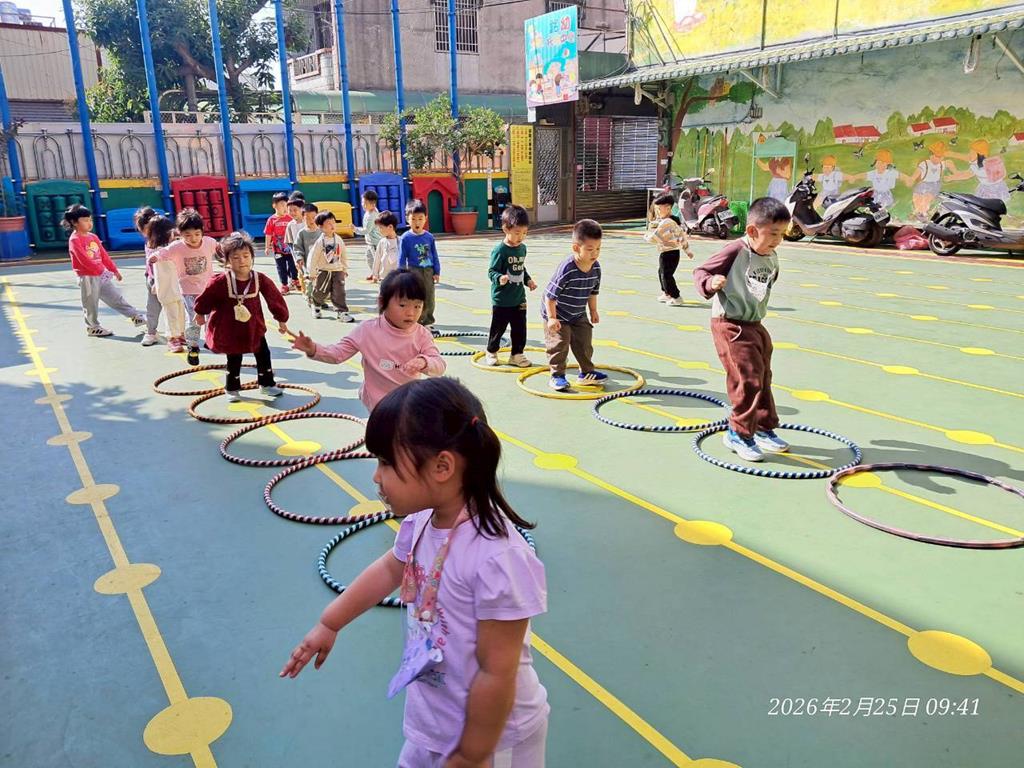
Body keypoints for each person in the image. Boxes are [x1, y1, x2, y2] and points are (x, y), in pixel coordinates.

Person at [280, 377, 548, 768]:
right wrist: (330, 622)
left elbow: (497, 671)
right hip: (434, 721)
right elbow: (389, 568)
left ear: (442, 467)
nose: (376, 476)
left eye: (386, 463)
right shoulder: (421, 521)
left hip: (494, 739)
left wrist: (471, 755)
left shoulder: (497, 559)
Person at [692, 197, 791, 463]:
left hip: (755, 323)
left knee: (763, 375)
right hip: (730, 323)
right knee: (747, 378)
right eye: (773, 234)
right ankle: (738, 433)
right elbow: (701, 271)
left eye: (782, 234)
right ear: (752, 230)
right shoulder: (736, 250)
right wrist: (711, 282)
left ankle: (762, 427)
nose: (778, 240)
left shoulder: (771, 256)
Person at [291, 269, 446, 411]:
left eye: (417, 306)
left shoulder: (422, 334)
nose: (411, 313)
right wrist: (313, 349)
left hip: (407, 403)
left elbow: (439, 365)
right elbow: (338, 354)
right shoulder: (367, 330)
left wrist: (424, 362)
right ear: (382, 302)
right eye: (402, 305)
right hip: (376, 403)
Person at [194, 231, 290, 401]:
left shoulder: (259, 279)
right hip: (230, 329)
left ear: (252, 257)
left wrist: (281, 319)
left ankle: (267, 384)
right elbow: (206, 297)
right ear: (227, 260)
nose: (242, 261)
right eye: (236, 257)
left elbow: (274, 298)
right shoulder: (221, 281)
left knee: (263, 354)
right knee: (234, 357)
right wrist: (200, 312)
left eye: (246, 256)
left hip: (254, 328)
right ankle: (232, 388)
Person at [541, 219, 605, 392]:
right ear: (576, 248)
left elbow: (593, 292)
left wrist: (593, 310)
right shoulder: (567, 269)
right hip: (557, 312)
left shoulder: (596, 268)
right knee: (560, 343)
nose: (595, 253)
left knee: (585, 341)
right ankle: (557, 375)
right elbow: (550, 296)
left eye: (598, 248)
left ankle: (586, 373)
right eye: (590, 249)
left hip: (578, 312)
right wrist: (552, 318)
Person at [64, 203, 147, 337]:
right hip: (87, 277)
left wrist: (114, 270)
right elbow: (83, 259)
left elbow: (103, 255)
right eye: (85, 220)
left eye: (90, 219)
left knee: (115, 297)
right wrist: (100, 270)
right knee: (90, 303)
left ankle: (135, 316)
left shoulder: (93, 237)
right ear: (74, 222)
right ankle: (93, 327)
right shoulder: (74, 240)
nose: (89, 223)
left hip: (101, 275)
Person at [150, 209, 216, 366]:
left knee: (213, 317)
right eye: (188, 235)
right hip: (189, 291)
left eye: (197, 234)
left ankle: (210, 339)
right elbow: (163, 252)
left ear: (202, 231)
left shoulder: (209, 242)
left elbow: (221, 248)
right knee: (194, 319)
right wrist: (155, 257)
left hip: (208, 289)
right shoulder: (177, 247)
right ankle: (193, 345)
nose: (193, 238)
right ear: (180, 234)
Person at [484, 204, 537, 368]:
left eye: (525, 233)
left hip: (519, 298)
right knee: (498, 328)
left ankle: (517, 354)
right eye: (517, 233)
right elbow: (491, 271)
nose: (521, 237)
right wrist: (499, 278)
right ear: (506, 229)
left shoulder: (522, 248)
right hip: (502, 299)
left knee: (520, 328)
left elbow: (520, 268)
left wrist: (528, 280)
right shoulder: (500, 251)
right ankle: (491, 351)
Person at [145, 214, 187, 353]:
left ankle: (180, 333)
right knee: (171, 312)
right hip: (166, 287)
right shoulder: (158, 251)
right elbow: (152, 267)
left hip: (177, 285)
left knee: (180, 310)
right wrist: (154, 283)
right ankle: (172, 338)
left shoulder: (171, 247)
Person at [643, 192, 692, 307]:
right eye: (657, 209)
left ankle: (676, 297)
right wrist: (687, 250)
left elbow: (655, 237)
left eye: (659, 209)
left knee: (666, 275)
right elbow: (681, 236)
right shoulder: (670, 221)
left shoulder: (667, 223)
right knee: (662, 272)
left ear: (668, 208)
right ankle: (667, 293)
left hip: (669, 253)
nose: (657, 212)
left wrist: (646, 236)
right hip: (669, 252)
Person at [399, 199, 441, 329]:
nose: (417, 222)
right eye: (413, 219)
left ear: (425, 218)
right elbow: (402, 257)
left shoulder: (429, 237)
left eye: (420, 219)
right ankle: (417, 321)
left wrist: (437, 271)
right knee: (416, 298)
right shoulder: (405, 238)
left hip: (428, 271)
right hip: (413, 271)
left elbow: (434, 255)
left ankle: (428, 321)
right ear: (407, 219)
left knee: (429, 296)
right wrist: (401, 274)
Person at [308, 211, 353, 322]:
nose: (332, 225)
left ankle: (342, 312)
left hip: (338, 270)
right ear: (320, 227)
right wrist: (312, 273)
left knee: (339, 292)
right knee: (321, 291)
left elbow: (343, 255)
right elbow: (313, 258)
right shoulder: (320, 242)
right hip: (324, 271)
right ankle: (316, 305)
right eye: (329, 223)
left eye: (333, 222)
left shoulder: (338, 239)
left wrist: (344, 268)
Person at [133, 206, 163, 346]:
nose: (146, 233)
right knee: (152, 308)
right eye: (143, 230)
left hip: (167, 280)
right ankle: (151, 332)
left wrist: (159, 281)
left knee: (176, 308)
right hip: (152, 279)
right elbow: (149, 262)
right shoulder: (148, 241)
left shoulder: (166, 242)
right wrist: (150, 277)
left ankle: (179, 334)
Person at [264, 191, 298, 294]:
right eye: (282, 205)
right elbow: (268, 234)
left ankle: (295, 280)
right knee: (281, 268)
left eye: (286, 205)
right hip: (278, 250)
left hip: (291, 248)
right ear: (274, 206)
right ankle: (284, 285)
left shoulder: (291, 218)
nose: (285, 208)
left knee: (293, 266)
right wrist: (267, 247)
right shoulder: (271, 220)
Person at [358, 188, 382, 280]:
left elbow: (366, 230)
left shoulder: (372, 215)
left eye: (365, 203)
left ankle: (379, 274)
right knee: (369, 258)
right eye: (362, 202)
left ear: (373, 204)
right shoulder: (369, 212)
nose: (363, 205)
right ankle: (374, 273)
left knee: (377, 260)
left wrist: (355, 229)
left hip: (375, 242)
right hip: (370, 242)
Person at [370, 210, 400, 284]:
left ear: (390, 227)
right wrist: (375, 274)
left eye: (381, 227)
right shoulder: (382, 242)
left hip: (399, 279)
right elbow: (377, 259)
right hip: (384, 279)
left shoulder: (402, 241)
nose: (379, 230)